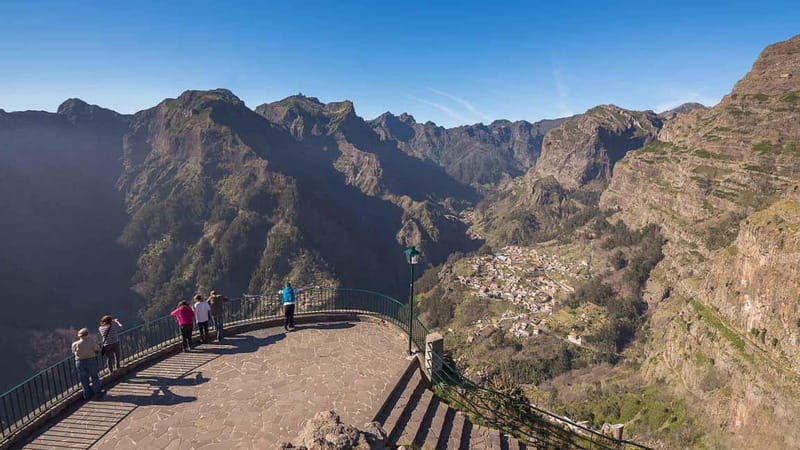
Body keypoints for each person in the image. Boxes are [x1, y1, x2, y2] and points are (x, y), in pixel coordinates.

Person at [71, 328, 103, 399]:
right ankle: (97, 393)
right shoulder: (91, 342)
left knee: (84, 379)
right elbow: (97, 349)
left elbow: (73, 352)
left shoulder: (75, 344)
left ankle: (86, 395)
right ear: (87, 334)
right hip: (91, 360)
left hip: (80, 362)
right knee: (94, 376)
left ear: (79, 335)